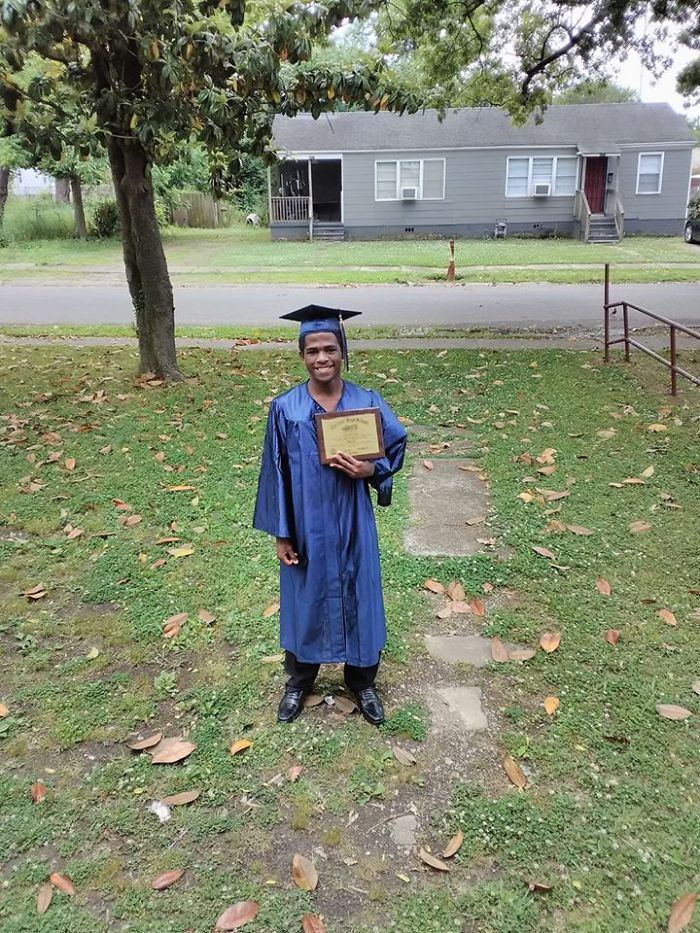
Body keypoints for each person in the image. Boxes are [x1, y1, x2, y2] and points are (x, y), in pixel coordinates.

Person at [253, 305, 407, 726]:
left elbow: (394, 446)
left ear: (343, 351)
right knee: (305, 596)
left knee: (361, 592)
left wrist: (371, 470)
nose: (322, 358)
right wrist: (282, 535)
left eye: (330, 349)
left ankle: (363, 681)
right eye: (313, 351)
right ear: (302, 356)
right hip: (306, 525)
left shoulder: (365, 401)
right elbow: (277, 473)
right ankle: (299, 680)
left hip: (353, 521)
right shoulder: (286, 409)